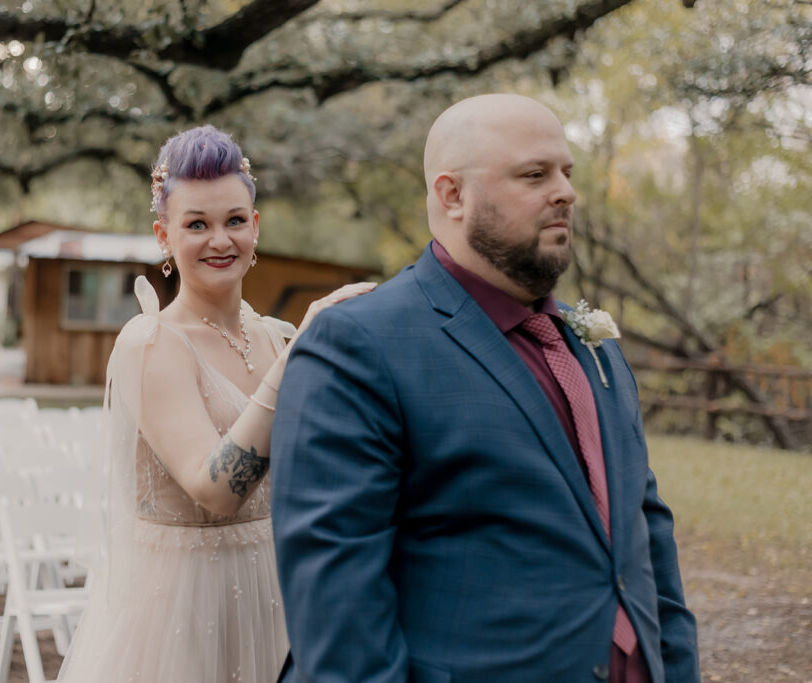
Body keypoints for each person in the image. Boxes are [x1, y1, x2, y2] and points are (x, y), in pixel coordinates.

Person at [270, 94, 700, 682]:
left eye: (567, 173)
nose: (566, 192)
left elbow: (646, 538)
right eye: (534, 174)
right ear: (452, 195)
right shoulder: (359, 345)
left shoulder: (593, 344)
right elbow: (337, 611)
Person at [57, 125, 373, 682]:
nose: (219, 241)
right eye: (196, 224)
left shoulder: (275, 336)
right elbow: (217, 489)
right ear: (164, 236)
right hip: (183, 608)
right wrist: (303, 352)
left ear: (256, 226)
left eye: (234, 221)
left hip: (280, 591)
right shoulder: (152, 343)